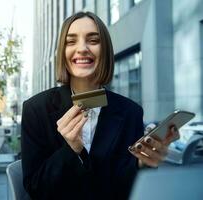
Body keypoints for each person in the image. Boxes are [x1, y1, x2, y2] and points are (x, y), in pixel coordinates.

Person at [21, 12, 179, 200]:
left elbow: (128, 188)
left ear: (105, 51)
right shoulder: (35, 109)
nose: (82, 48)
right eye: (71, 42)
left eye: (93, 40)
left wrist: (143, 163)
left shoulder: (130, 112)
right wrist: (70, 150)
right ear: (63, 52)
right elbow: (35, 189)